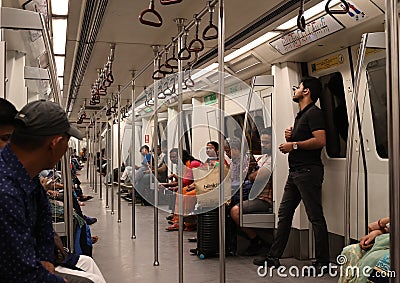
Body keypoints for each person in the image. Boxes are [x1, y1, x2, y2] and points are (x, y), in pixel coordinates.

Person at [0, 100, 84, 282]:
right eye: (67, 142)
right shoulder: (5, 192)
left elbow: (44, 226)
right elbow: (21, 272)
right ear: (56, 143)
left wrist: (46, 259)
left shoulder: (26, 175)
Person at [253, 77, 330, 274]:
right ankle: (273, 257)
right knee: (284, 214)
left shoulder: (314, 113)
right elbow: (305, 138)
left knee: (315, 216)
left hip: (308, 172)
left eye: (299, 87)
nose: (295, 90)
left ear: (307, 92)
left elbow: (320, 140)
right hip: (295, 172)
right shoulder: (301, 115)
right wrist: (292, 136)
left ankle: (323, 261)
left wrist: (293, 144)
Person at [230, 127, 273, 256]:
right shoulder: (262, 157)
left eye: (267, 142)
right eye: (262, 142)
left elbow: (257, 176)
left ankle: (256, 240)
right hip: (253, 194)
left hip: (264, 199)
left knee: (235, 211)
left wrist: (250, 173)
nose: (263, 145)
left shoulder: (272, 160)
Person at [338, 217, 390, 283]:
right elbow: (372, 227)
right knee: (350, 250)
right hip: (387, 240)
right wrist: (377, 232)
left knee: (372, 259)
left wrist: (382, 223)